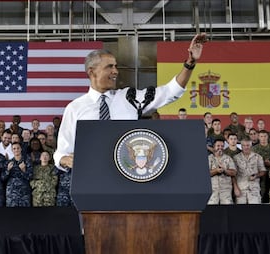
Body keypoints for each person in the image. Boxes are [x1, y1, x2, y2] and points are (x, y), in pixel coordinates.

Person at [53, 33, 207, 206]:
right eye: (109, 67)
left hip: (130, 183)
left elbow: (168, 93)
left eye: (116, 66)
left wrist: (190, 63)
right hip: (92, 185)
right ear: (92, 72)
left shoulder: (129, 98)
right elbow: (61, 152)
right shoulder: (75, 108)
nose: (116, 71)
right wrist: (65, 160)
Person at [233, 138, 267, 204]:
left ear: (251, 146)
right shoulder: (236, 158)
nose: (246, 147)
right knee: (240, 212)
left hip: (254, 189)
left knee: (255, 212)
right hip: (241, 189)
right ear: (241, 146)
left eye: (248, 145)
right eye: (244, 145)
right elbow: (233, 174)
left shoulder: (258, 157)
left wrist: (256, 175)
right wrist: (235, 187)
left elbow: (263, 171)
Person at [1, 142, 33, 207]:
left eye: (18, 148)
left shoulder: (27, 161)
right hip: (12, 193)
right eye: (14, 148)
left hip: (24, 192)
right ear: (12, 150)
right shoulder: (8, 162)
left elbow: (30, 177)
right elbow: (3, 178)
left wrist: (24, 170)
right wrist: (8, 170)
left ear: (21, 149)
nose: (16, 150)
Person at [208, 139, 237, 205]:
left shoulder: (228, 158)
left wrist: (225, 170)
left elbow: (234, 172)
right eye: (218, 146)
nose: (220, 148)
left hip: (226, 191)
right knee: (211, 211)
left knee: (227, 211)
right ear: (214, 146)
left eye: (222, 146)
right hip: (213, 190)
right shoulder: (209, 158)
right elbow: (204, 175)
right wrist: (216, 170)